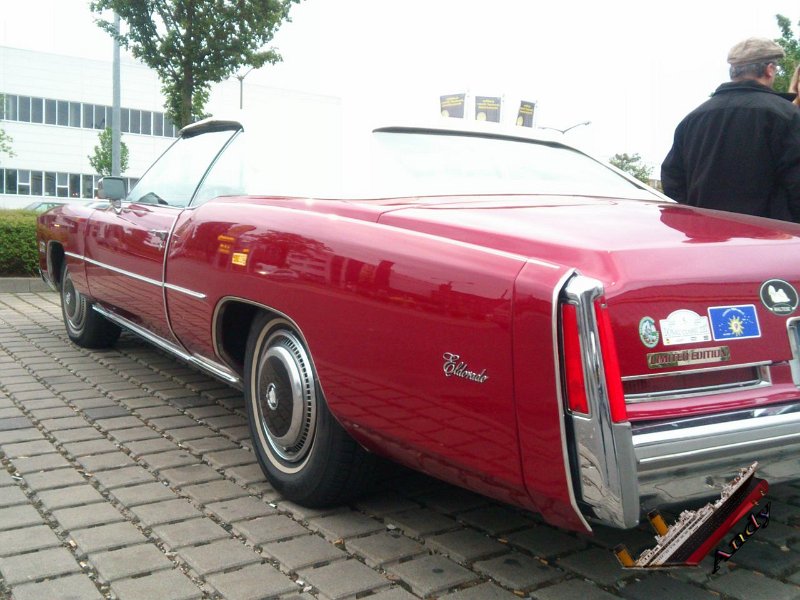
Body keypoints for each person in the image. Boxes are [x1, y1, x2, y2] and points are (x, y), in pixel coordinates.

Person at [661, 37, 800, 222]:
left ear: (733, 71)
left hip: (706, 234)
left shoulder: (693, 118)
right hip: (766, 236)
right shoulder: (788, 116)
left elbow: (672, 181)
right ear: (769, 69)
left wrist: (696, 221)